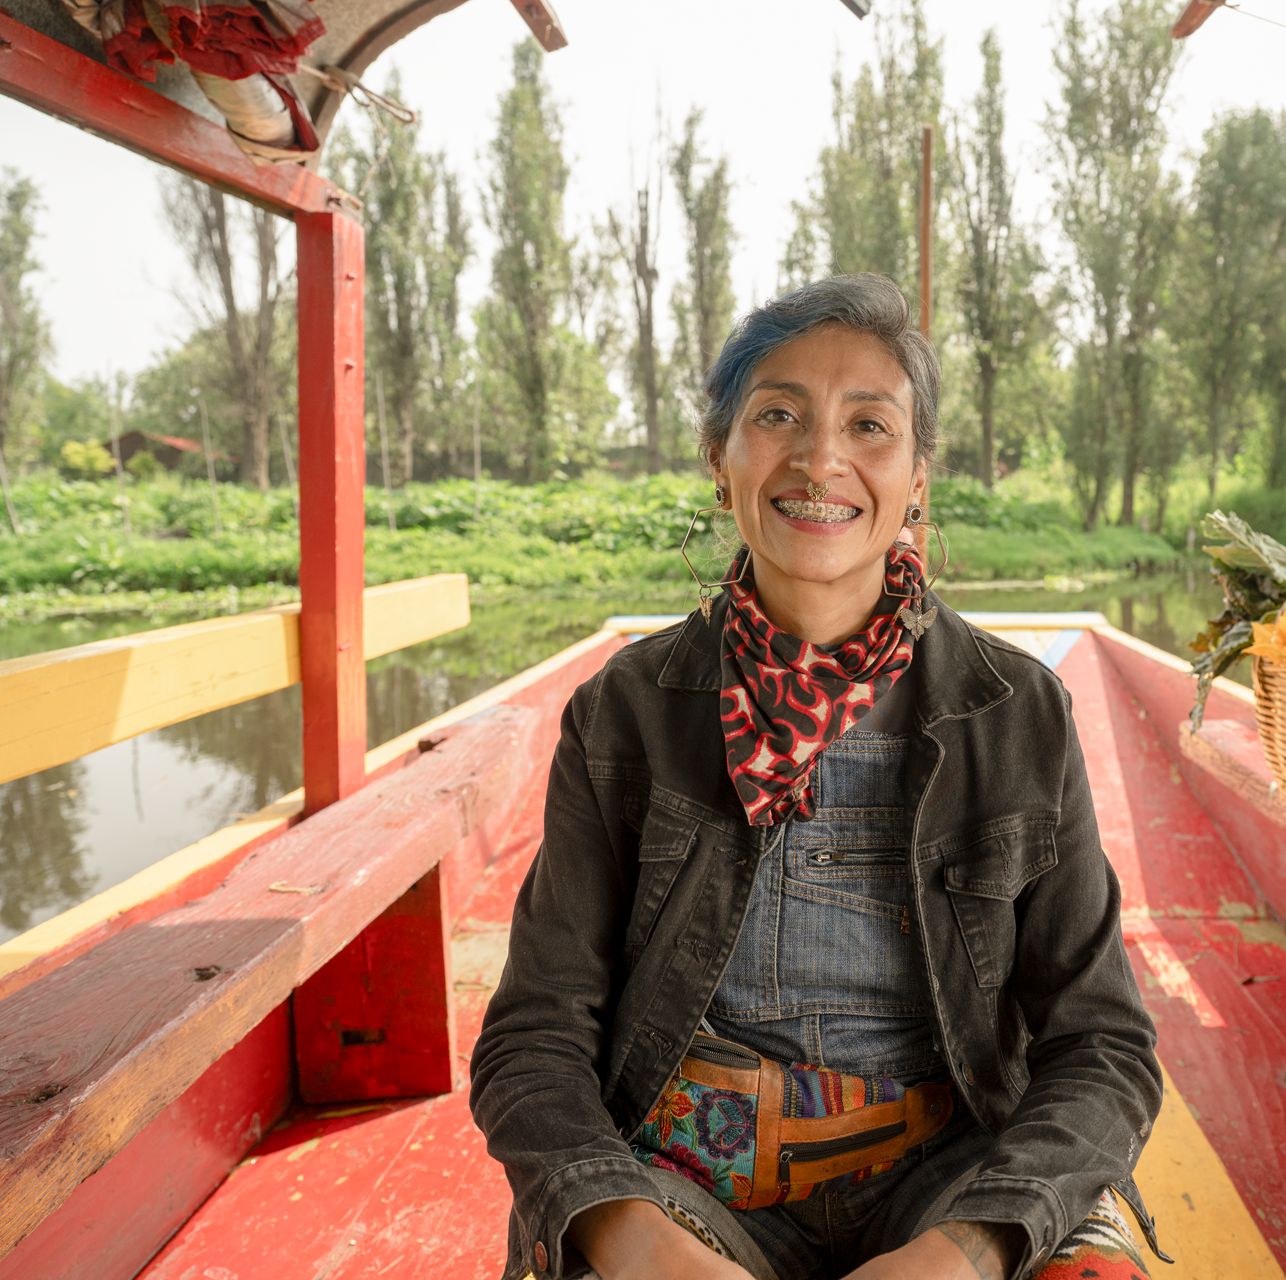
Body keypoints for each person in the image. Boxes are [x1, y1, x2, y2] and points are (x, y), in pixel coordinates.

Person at [471, 274, 1164, 1280]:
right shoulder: (627, 710)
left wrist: (968, 1247)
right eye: (778, 414)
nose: (820, 458)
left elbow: (1103, 1044)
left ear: (919, 473)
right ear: (722, 458)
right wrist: (634, 1235)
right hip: (681, 1185)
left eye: (870, 424)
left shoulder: (1015, 712)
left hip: (952, 1180)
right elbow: (534, 1035)